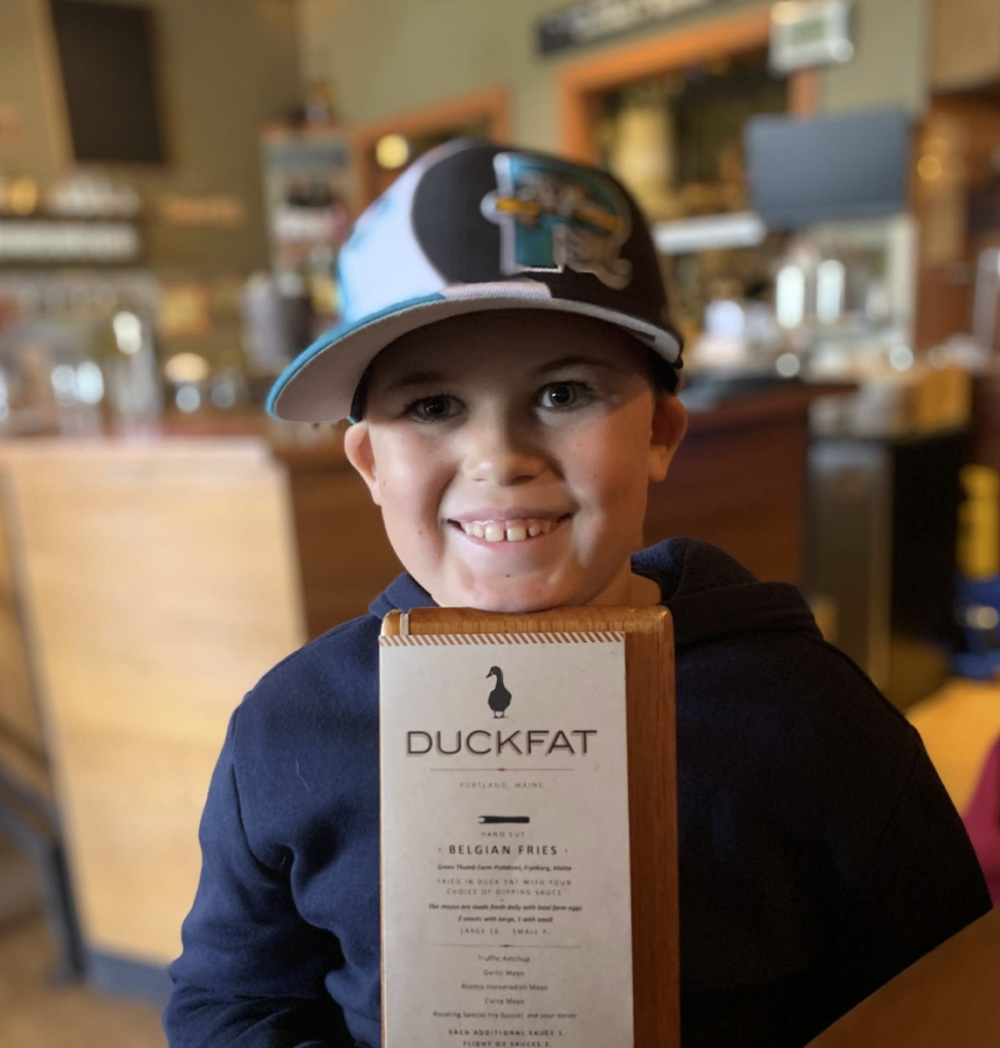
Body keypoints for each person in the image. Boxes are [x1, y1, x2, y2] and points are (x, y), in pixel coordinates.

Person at [164, 139, 990, 1048]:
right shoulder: (289, 729)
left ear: (660, 434)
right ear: (367, 460)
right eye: (432, 407)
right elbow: (231, 1001)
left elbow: (944, 988)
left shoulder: (811, 717)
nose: (498, 458)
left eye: (562, 392)